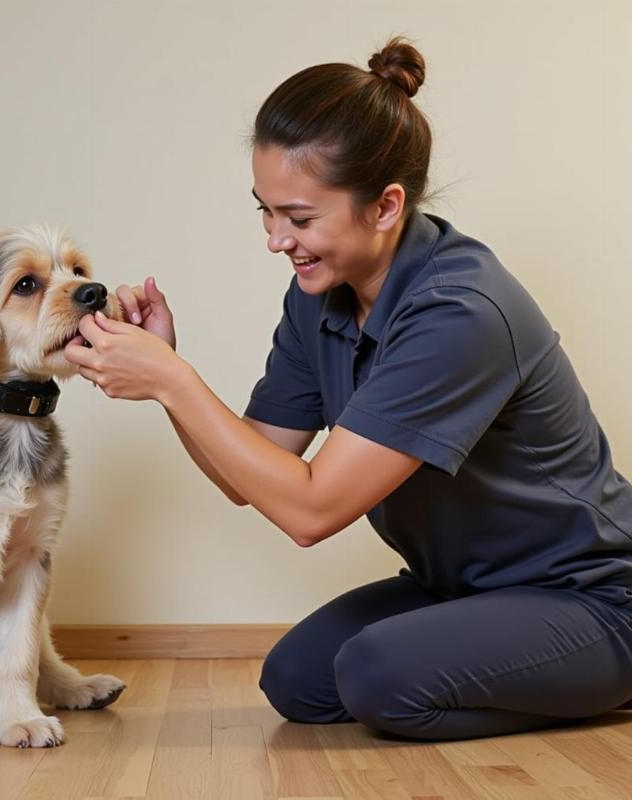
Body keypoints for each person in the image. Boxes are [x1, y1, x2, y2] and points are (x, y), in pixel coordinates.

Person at [64, 38, 632, 740]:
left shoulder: (460, 312)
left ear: (387, 206)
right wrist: (165, 374)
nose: (276, 240)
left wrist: (174, 383)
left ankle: (605, 681)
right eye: (264, 212)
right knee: (298, 677)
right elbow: (250, 473)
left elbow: (310, 512)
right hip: (459, 587)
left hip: (592, 599)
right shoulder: (319, 296)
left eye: (299, 218)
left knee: (378, 676)